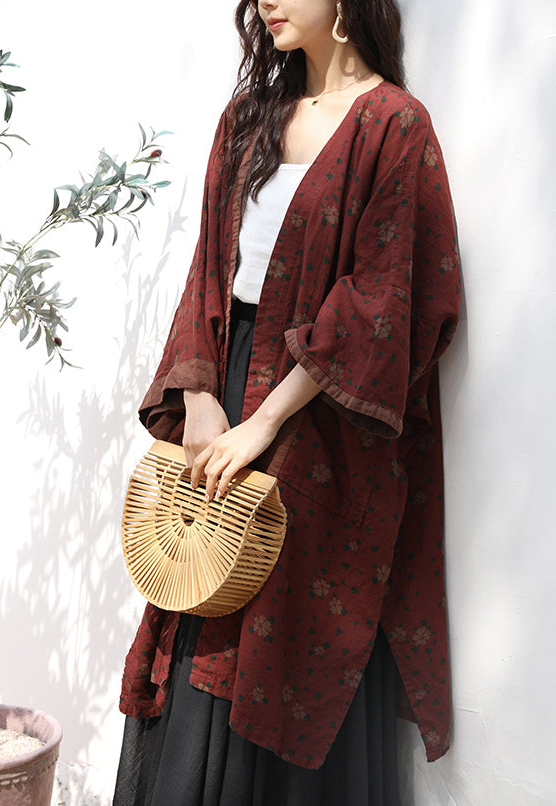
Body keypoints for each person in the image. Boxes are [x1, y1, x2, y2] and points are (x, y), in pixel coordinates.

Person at [113, 0, 461, 803]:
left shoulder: (394, 126)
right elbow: (209, 266)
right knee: (206, 590)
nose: (265, 0)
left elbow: (382, 302)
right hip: (227, 383)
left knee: (298, 638)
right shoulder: (249, 117)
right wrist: (201, 395)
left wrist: (264, 422)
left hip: (325, 416)